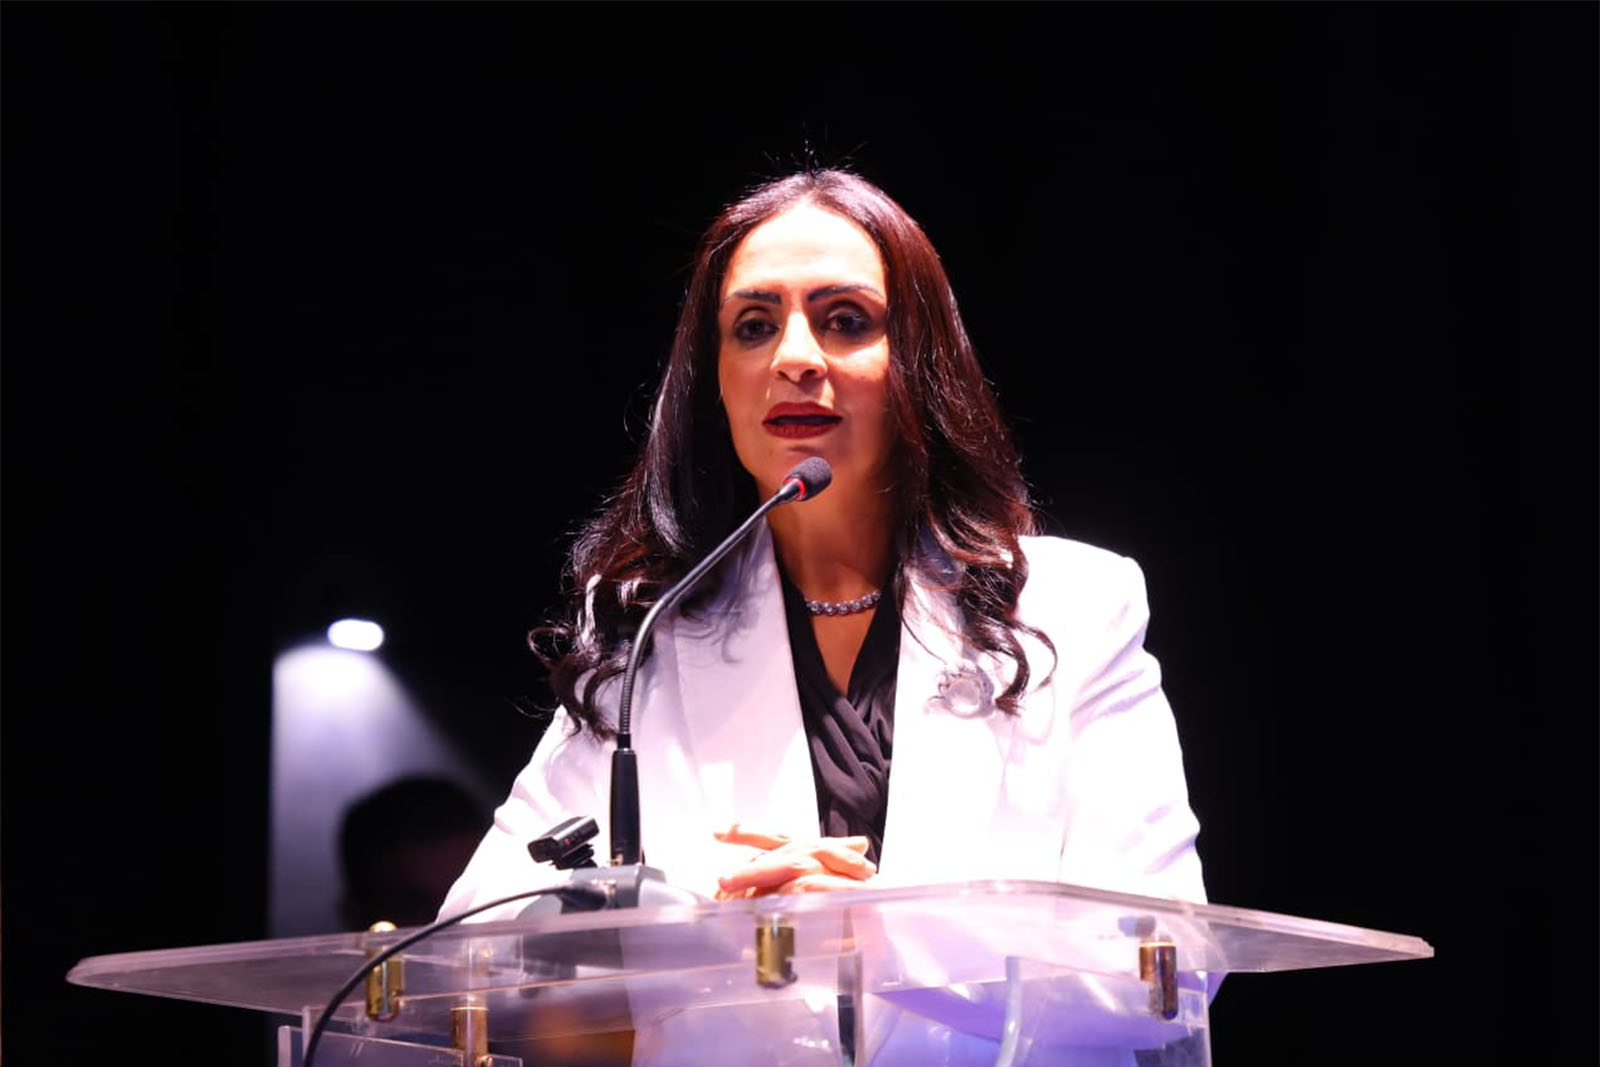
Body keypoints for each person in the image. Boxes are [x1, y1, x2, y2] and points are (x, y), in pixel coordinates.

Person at [440, 168, 1206, 919]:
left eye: (845, 320)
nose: (795, 358)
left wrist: (875, 933)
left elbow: (1160, 950)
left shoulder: (1076, 610)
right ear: (716, 381)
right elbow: (480, 927)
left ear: (917, 364)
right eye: (754, 326)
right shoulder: (650, 629)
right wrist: (705, 914)